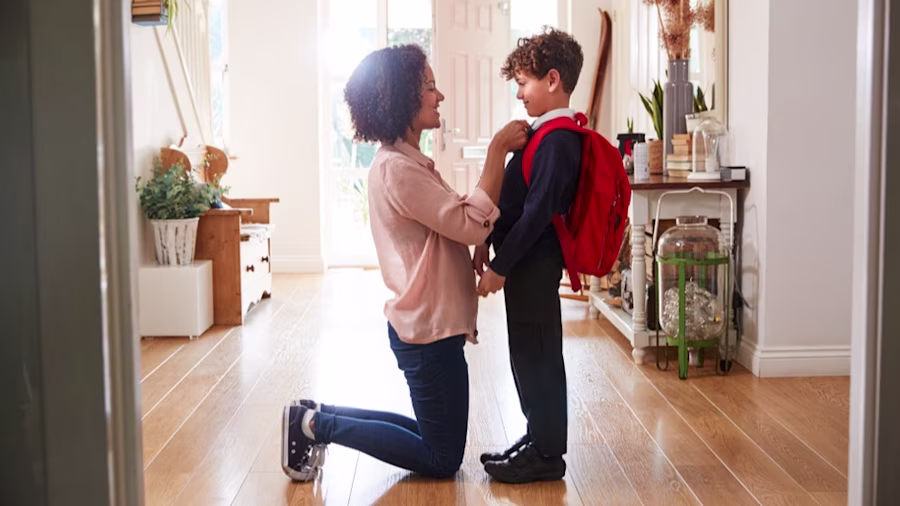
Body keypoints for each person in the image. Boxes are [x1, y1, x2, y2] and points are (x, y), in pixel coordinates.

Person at [281, 44, 529, 481]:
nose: (440, 96)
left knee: (432, 436)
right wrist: (496, 152)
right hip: (428, 332)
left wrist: (473, 238)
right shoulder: (399, 169)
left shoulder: (406, 163)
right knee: (441, 457)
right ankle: (316, 426)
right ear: (401, 100)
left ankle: (316, 415)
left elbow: (453, 224)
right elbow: (469, 222)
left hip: (428, 326)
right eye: (430, 87)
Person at [474, 27, 585, 484]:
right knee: (525, 353)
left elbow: (538, 212)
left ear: (553, 79)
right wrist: (487, 239)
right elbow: (517, 200)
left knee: (538, 355)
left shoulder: (559, 139)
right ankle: (538, 437)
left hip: (533, 266)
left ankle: (547, 454)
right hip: (525, 265)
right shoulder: (543, 134)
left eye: (524, 82)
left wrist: (501, 267)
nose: (519, 93)